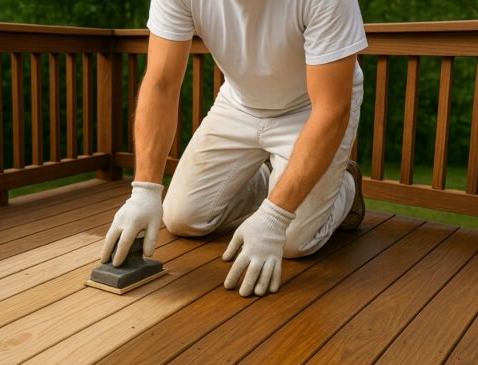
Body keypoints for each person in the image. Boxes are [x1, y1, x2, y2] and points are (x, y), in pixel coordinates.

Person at [100, 0, 368, 297]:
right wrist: (144, 191)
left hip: (311, 110)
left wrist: (275, 217)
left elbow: (331, 111)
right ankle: (274, 181)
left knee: (292, 241)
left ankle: (344, 186)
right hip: (239, 103)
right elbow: (161, 84)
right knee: (182, 218)